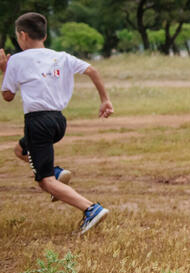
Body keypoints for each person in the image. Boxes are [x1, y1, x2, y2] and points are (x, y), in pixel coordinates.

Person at [1, 12, 113, 234]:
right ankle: (58, 172)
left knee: (45, 181)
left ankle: (91, 208)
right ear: (43, 34)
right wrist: (105, 100)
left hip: (37, 122)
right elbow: (92, 70)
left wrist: (5, 70)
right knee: (20, 149)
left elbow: (8, 96)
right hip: (58, 122)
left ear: (22, 35)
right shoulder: (61, 56)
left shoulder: (17, 60)